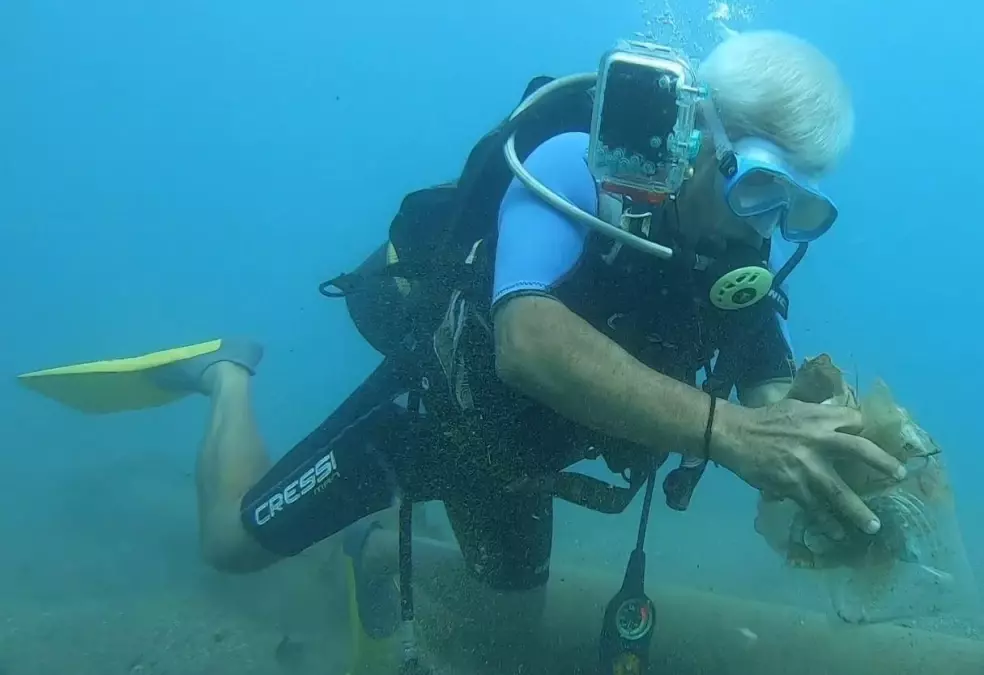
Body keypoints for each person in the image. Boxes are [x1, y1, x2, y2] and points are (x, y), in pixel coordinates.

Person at [18, 30, 905, 675]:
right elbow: (527, 341)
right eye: (754, 185)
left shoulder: (732, 258)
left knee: (503, 629)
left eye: (795, 207)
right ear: (693, 137)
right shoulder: (573, 167)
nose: (765, 228)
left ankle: (364, 552)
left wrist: (834, 448)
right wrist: (725, 431)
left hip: (515, 463)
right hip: (426, 413)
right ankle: (223, 373)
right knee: (229, 545)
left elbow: (769, 393)